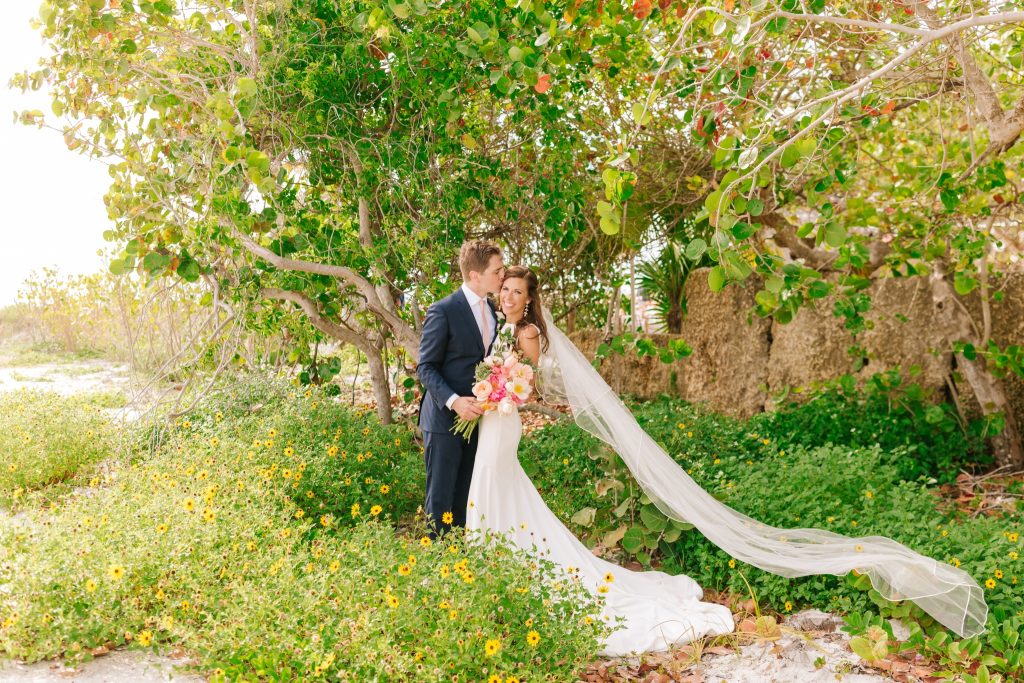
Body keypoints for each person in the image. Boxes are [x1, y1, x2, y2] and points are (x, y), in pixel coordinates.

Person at [465, 265, 987, 657]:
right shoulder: (506, 329)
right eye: (505, 289)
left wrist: (498, 391)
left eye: (517, 292)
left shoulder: (527, 334)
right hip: (498, 419)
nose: (509, 297)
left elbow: (531, 386)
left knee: (503, 490)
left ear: (531, 301)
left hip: (502, 420)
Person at [416, 240, 504, 536]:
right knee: (440, 498)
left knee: (467, 494)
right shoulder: (443, 310)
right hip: (444, 420)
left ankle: (459, 561)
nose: (502, 276)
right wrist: (455, 402)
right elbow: (425, 367)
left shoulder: (492, 311)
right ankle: (436, 563)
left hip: (480, 419)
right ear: (475, 276)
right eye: (497, 270)